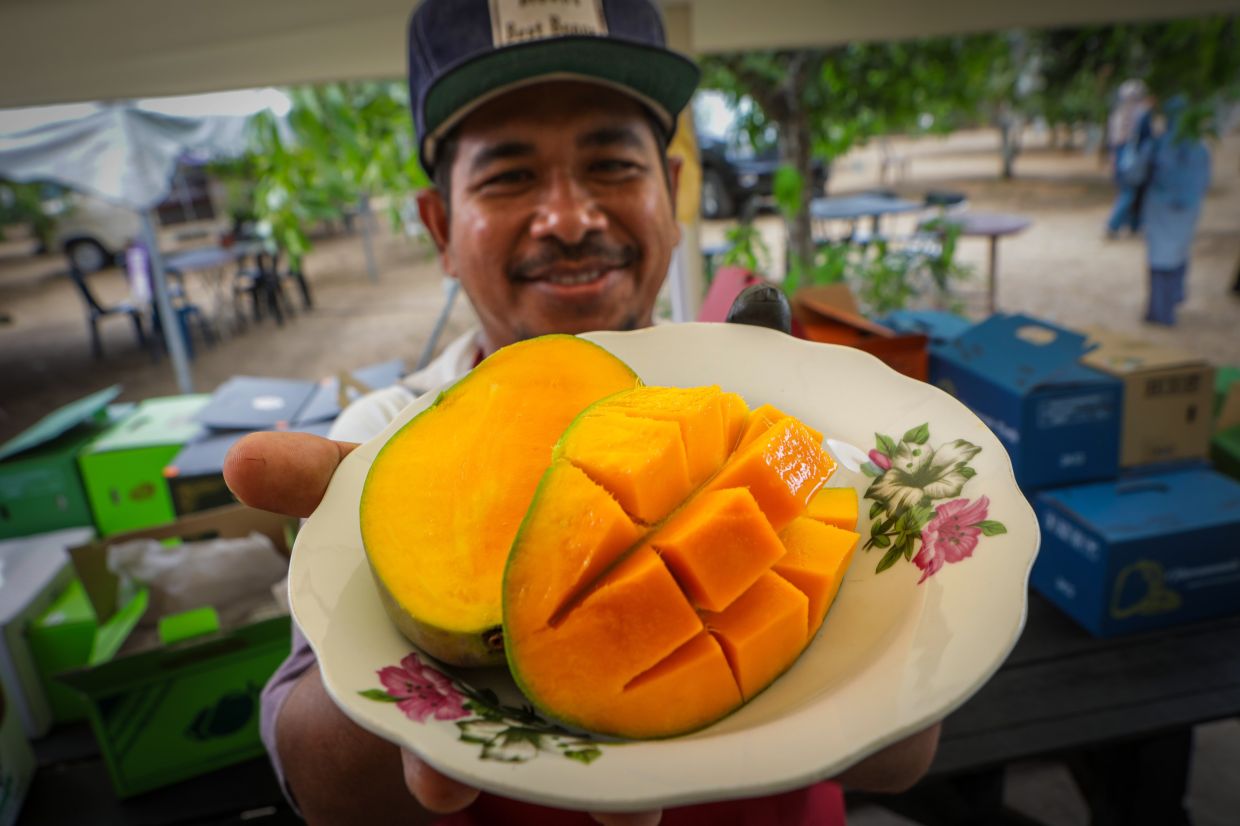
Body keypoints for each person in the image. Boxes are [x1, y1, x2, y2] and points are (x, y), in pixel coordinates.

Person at [223, 2, 942, 823]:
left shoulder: (774, 418)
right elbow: (320, 791)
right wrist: (402, 688)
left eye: (611, 165)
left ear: (670, 195)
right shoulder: (375, 441)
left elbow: (903, 763)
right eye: (509, 176)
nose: (568, 218)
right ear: (440, 227)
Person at [1135, 95, 1212, 325]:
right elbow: (1205, 181)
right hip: (1188, 210)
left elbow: (1135, 174)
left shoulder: (1158, 144)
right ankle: (1173, 299)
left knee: (1160, 257)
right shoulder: (1200, 147)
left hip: (1160, 208)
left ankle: (1160, 312)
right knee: (1178, 251)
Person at [1105, 79, 1153, 239]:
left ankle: (1134, 225)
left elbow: (1111, 142)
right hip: (1134, 159)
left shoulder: (1117, 114)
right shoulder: (1142, 114)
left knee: (1129, 192)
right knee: (1131, 193)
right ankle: (1113, 224)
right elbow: (1147, 139)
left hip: (1119, 158)